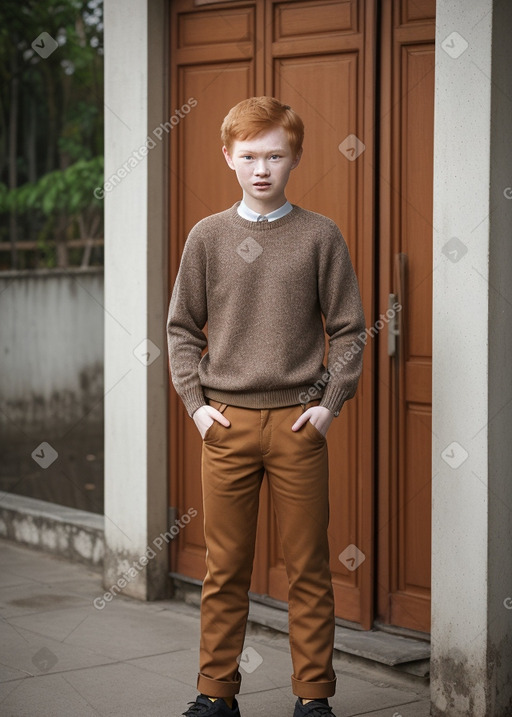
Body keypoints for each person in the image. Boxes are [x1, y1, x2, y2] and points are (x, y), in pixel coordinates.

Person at [167, 96, 365, 717]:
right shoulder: (207, 237)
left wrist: (330, 404)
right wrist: (198, 407)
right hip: (225, 424)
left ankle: (314, 699)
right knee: (224, 571)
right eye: (249, 155)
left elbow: (352, 328)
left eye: (274, 155)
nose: (261, 168)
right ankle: (215, 694)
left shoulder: (320, 235)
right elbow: (180, 330)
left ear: (295, 158)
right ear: (227, 157)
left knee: (308, 569)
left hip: (298, 425)